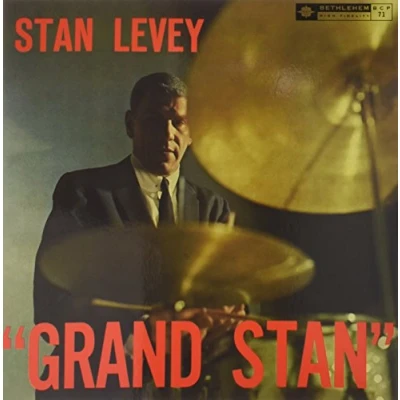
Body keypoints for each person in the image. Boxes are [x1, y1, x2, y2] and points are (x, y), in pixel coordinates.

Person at [34, 72, 245, 399]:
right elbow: (52, 306)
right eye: (154, 121)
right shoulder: (83, 193)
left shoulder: (213, 209)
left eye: (179, 123)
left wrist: (228, 318)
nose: (168, 134)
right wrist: (144, 331)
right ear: (130, 125)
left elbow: (235, 307)